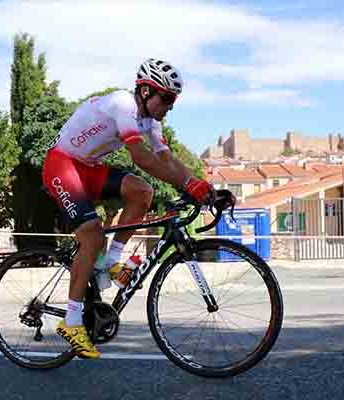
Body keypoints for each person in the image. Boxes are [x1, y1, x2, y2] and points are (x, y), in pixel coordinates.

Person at [42, 59, 214, 358]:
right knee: (92, 234)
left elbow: (165, 160)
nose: (170, 106)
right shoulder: (123, 104)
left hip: (88, 167)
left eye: (174, 100)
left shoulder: (152, 121)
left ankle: (111, 261)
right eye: (167, 98)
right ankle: (71, 321)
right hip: (62, 164)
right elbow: (142, 158)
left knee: (142, 192)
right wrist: (188, 185)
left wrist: (201, 185)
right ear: (146, 91)